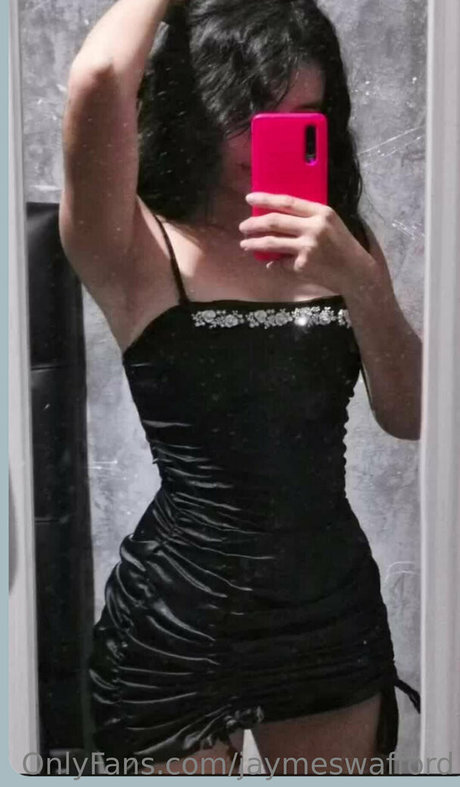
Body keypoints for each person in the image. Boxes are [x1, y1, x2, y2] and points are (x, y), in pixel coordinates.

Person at [59, 0, 422, 775]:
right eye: (249, 114)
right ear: (198, 108)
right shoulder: (135, 244)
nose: (270, 140)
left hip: (329, 616)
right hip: (178, 626)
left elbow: (412, 413)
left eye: (301, 117)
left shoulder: (343, 244)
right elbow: (99, 76)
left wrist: (360, 280)